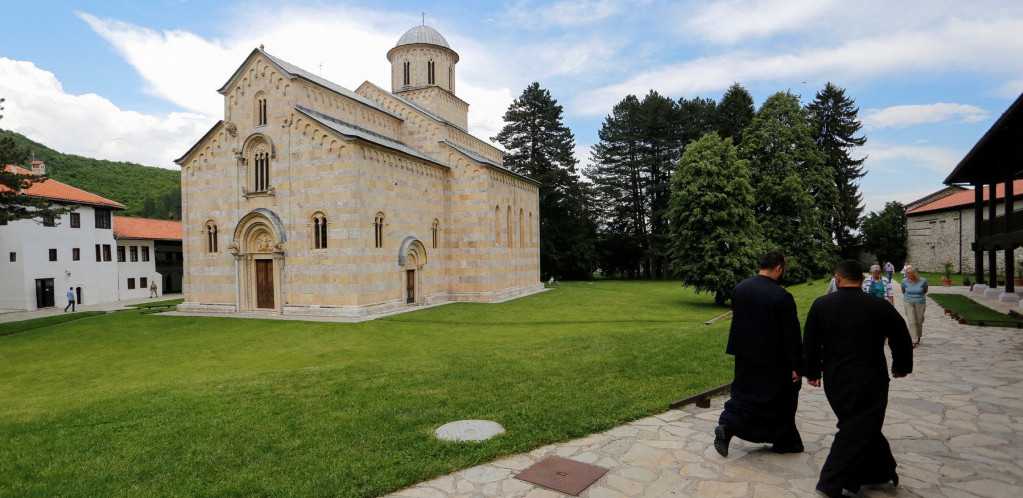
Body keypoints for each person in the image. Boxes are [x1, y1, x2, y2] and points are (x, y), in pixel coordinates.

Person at [803, 260, 913, 497]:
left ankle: (879, 471)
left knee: (859, 423)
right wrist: (901, 365)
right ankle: (830, 482)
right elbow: (901, 335)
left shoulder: (822, 305)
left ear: (838, 278)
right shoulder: (879, 306)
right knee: (858, 424)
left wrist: (812, 372)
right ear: (862, 279)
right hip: (870, 377)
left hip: (836, 378)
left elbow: (810, 343)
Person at [713, 251, 804, 457]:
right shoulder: (782, 296)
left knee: (744, 395)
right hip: (773, 360)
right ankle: (782, 438)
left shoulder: (740, 289)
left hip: (745, 355)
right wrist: (798, 365)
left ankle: (728, 425)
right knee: (779, 400)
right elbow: (791, 336)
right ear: (779, 268)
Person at [900, 266, 928, 348]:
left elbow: (925, 291)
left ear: (914, 273)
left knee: (919, 320)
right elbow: (903, 291)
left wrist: (917, 296)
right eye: (906, 273)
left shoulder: (923, 281)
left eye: (909, 273)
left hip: (920, 302)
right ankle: (913, 340)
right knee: (912, 321)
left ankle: (918, 335)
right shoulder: (904, 281)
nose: (907, 274)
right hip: (908, 301)